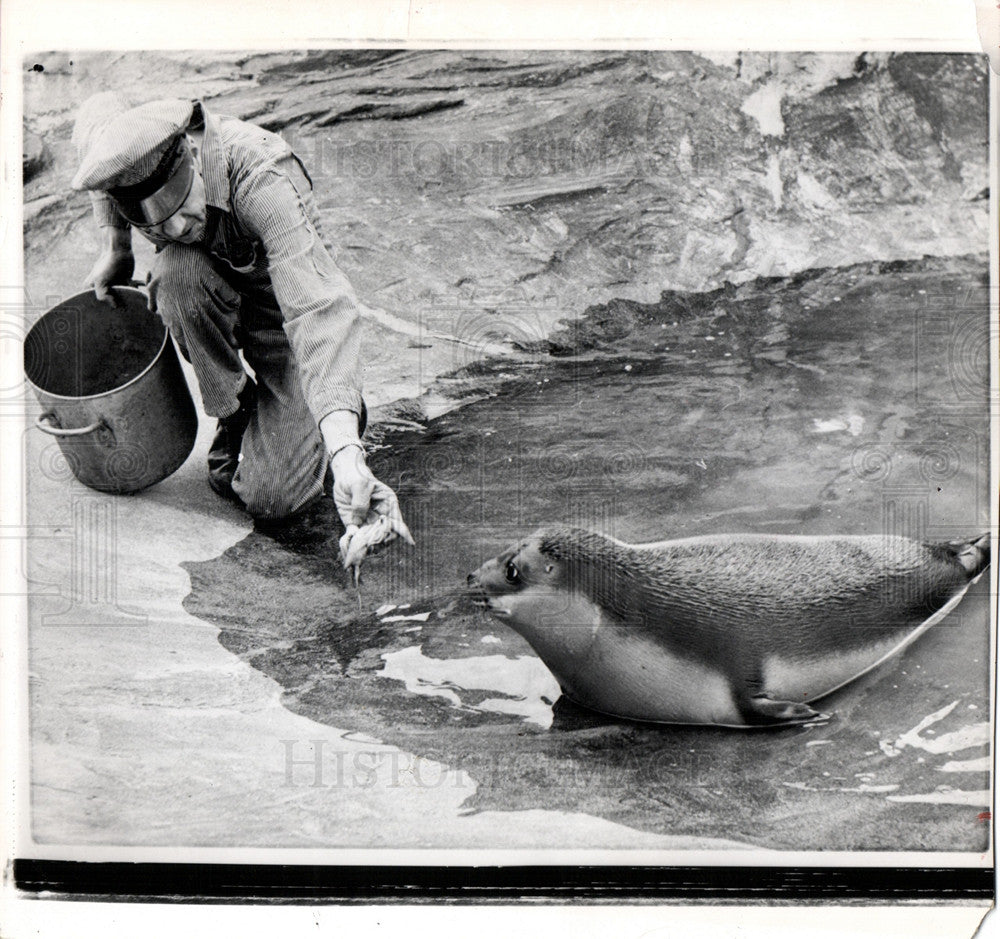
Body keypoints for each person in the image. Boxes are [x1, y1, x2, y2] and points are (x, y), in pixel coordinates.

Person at [72, 92, 412, 565]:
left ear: (190, 157)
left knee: (273, 501)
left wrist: (346, 457)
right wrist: (118, 246)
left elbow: (318, 311)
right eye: (154, 223)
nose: (173, 230)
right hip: (213, 289)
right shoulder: (141, 173)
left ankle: (341, 409)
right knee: (175, 276)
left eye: (180, 208)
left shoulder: (260, 175)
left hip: (284, 318)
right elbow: (98, 115)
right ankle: (235, 409)